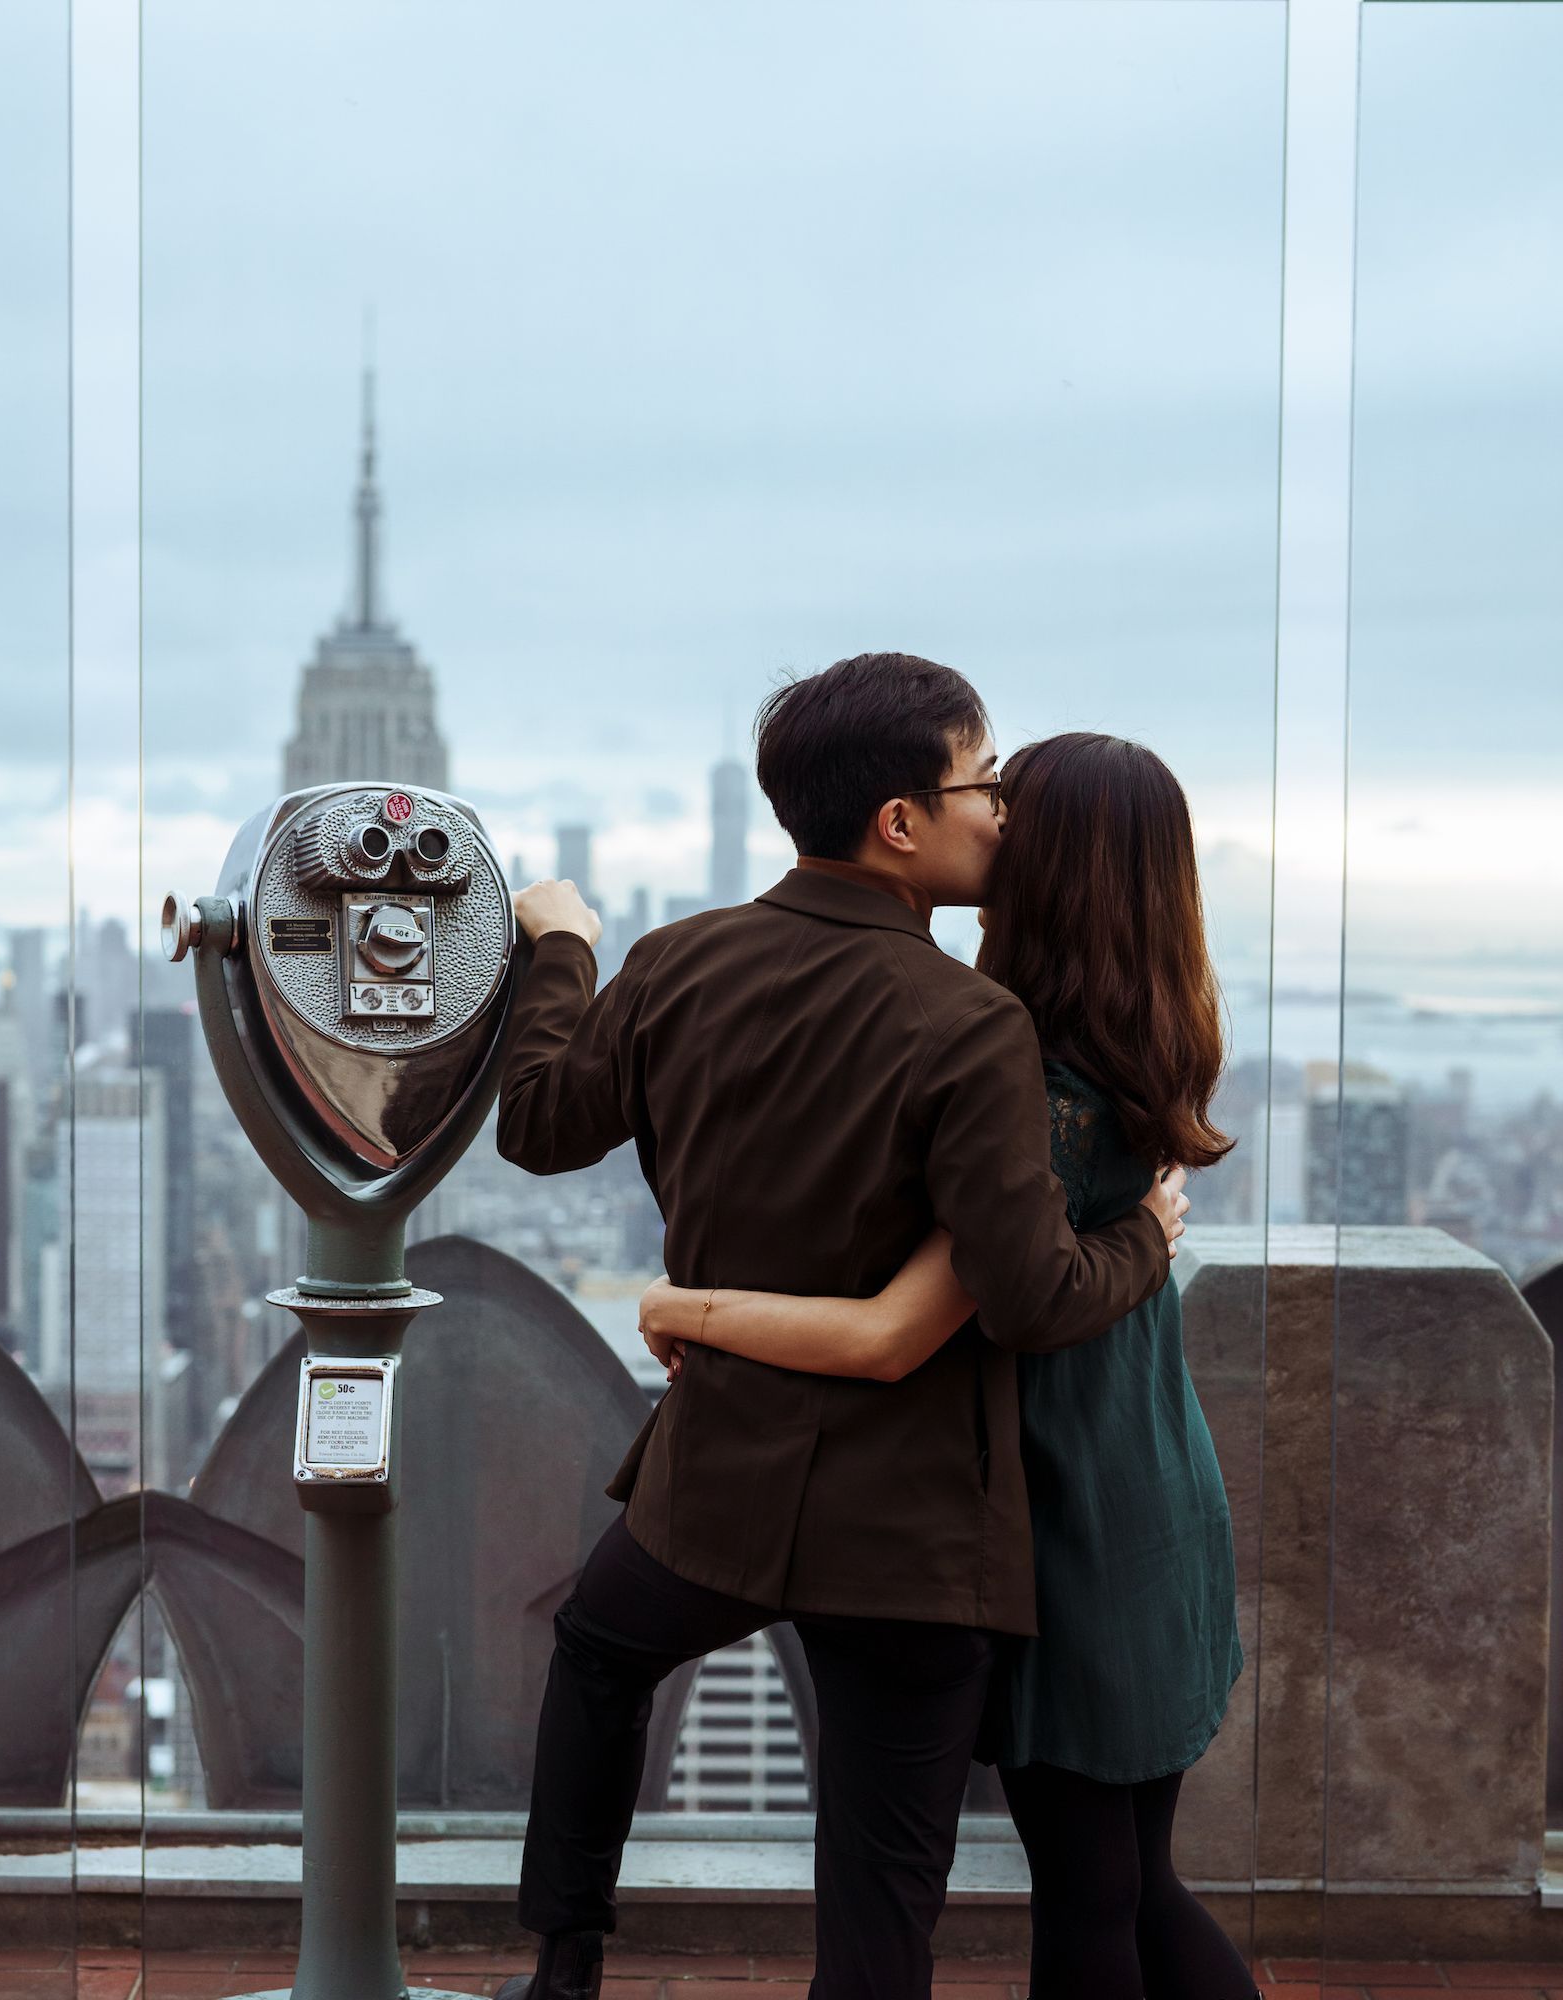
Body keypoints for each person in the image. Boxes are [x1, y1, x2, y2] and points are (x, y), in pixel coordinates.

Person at [490, 655, 1189, 2000]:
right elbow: (1037, 1297)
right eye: (984, 783)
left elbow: (536, 1123)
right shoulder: (971, 1025)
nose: (1002, 811)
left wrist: (562, 948)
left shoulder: (677, 960)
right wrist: (1140, 1242)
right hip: (909, 1535)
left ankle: (565, 1960)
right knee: (877, 1908)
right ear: (901, 822)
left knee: (598, 1650)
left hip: (716, 1490)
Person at [639, 732, 1252, 2000]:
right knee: (1133, 1879)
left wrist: (686, 1300)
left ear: (1050, 870)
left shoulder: (1014, 1071)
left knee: (1094, 1898)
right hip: (1156, 1490)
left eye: (1006, 816)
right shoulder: (1140, 1044)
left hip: (1067, 1522)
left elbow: (893, 1328)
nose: (985, 831)